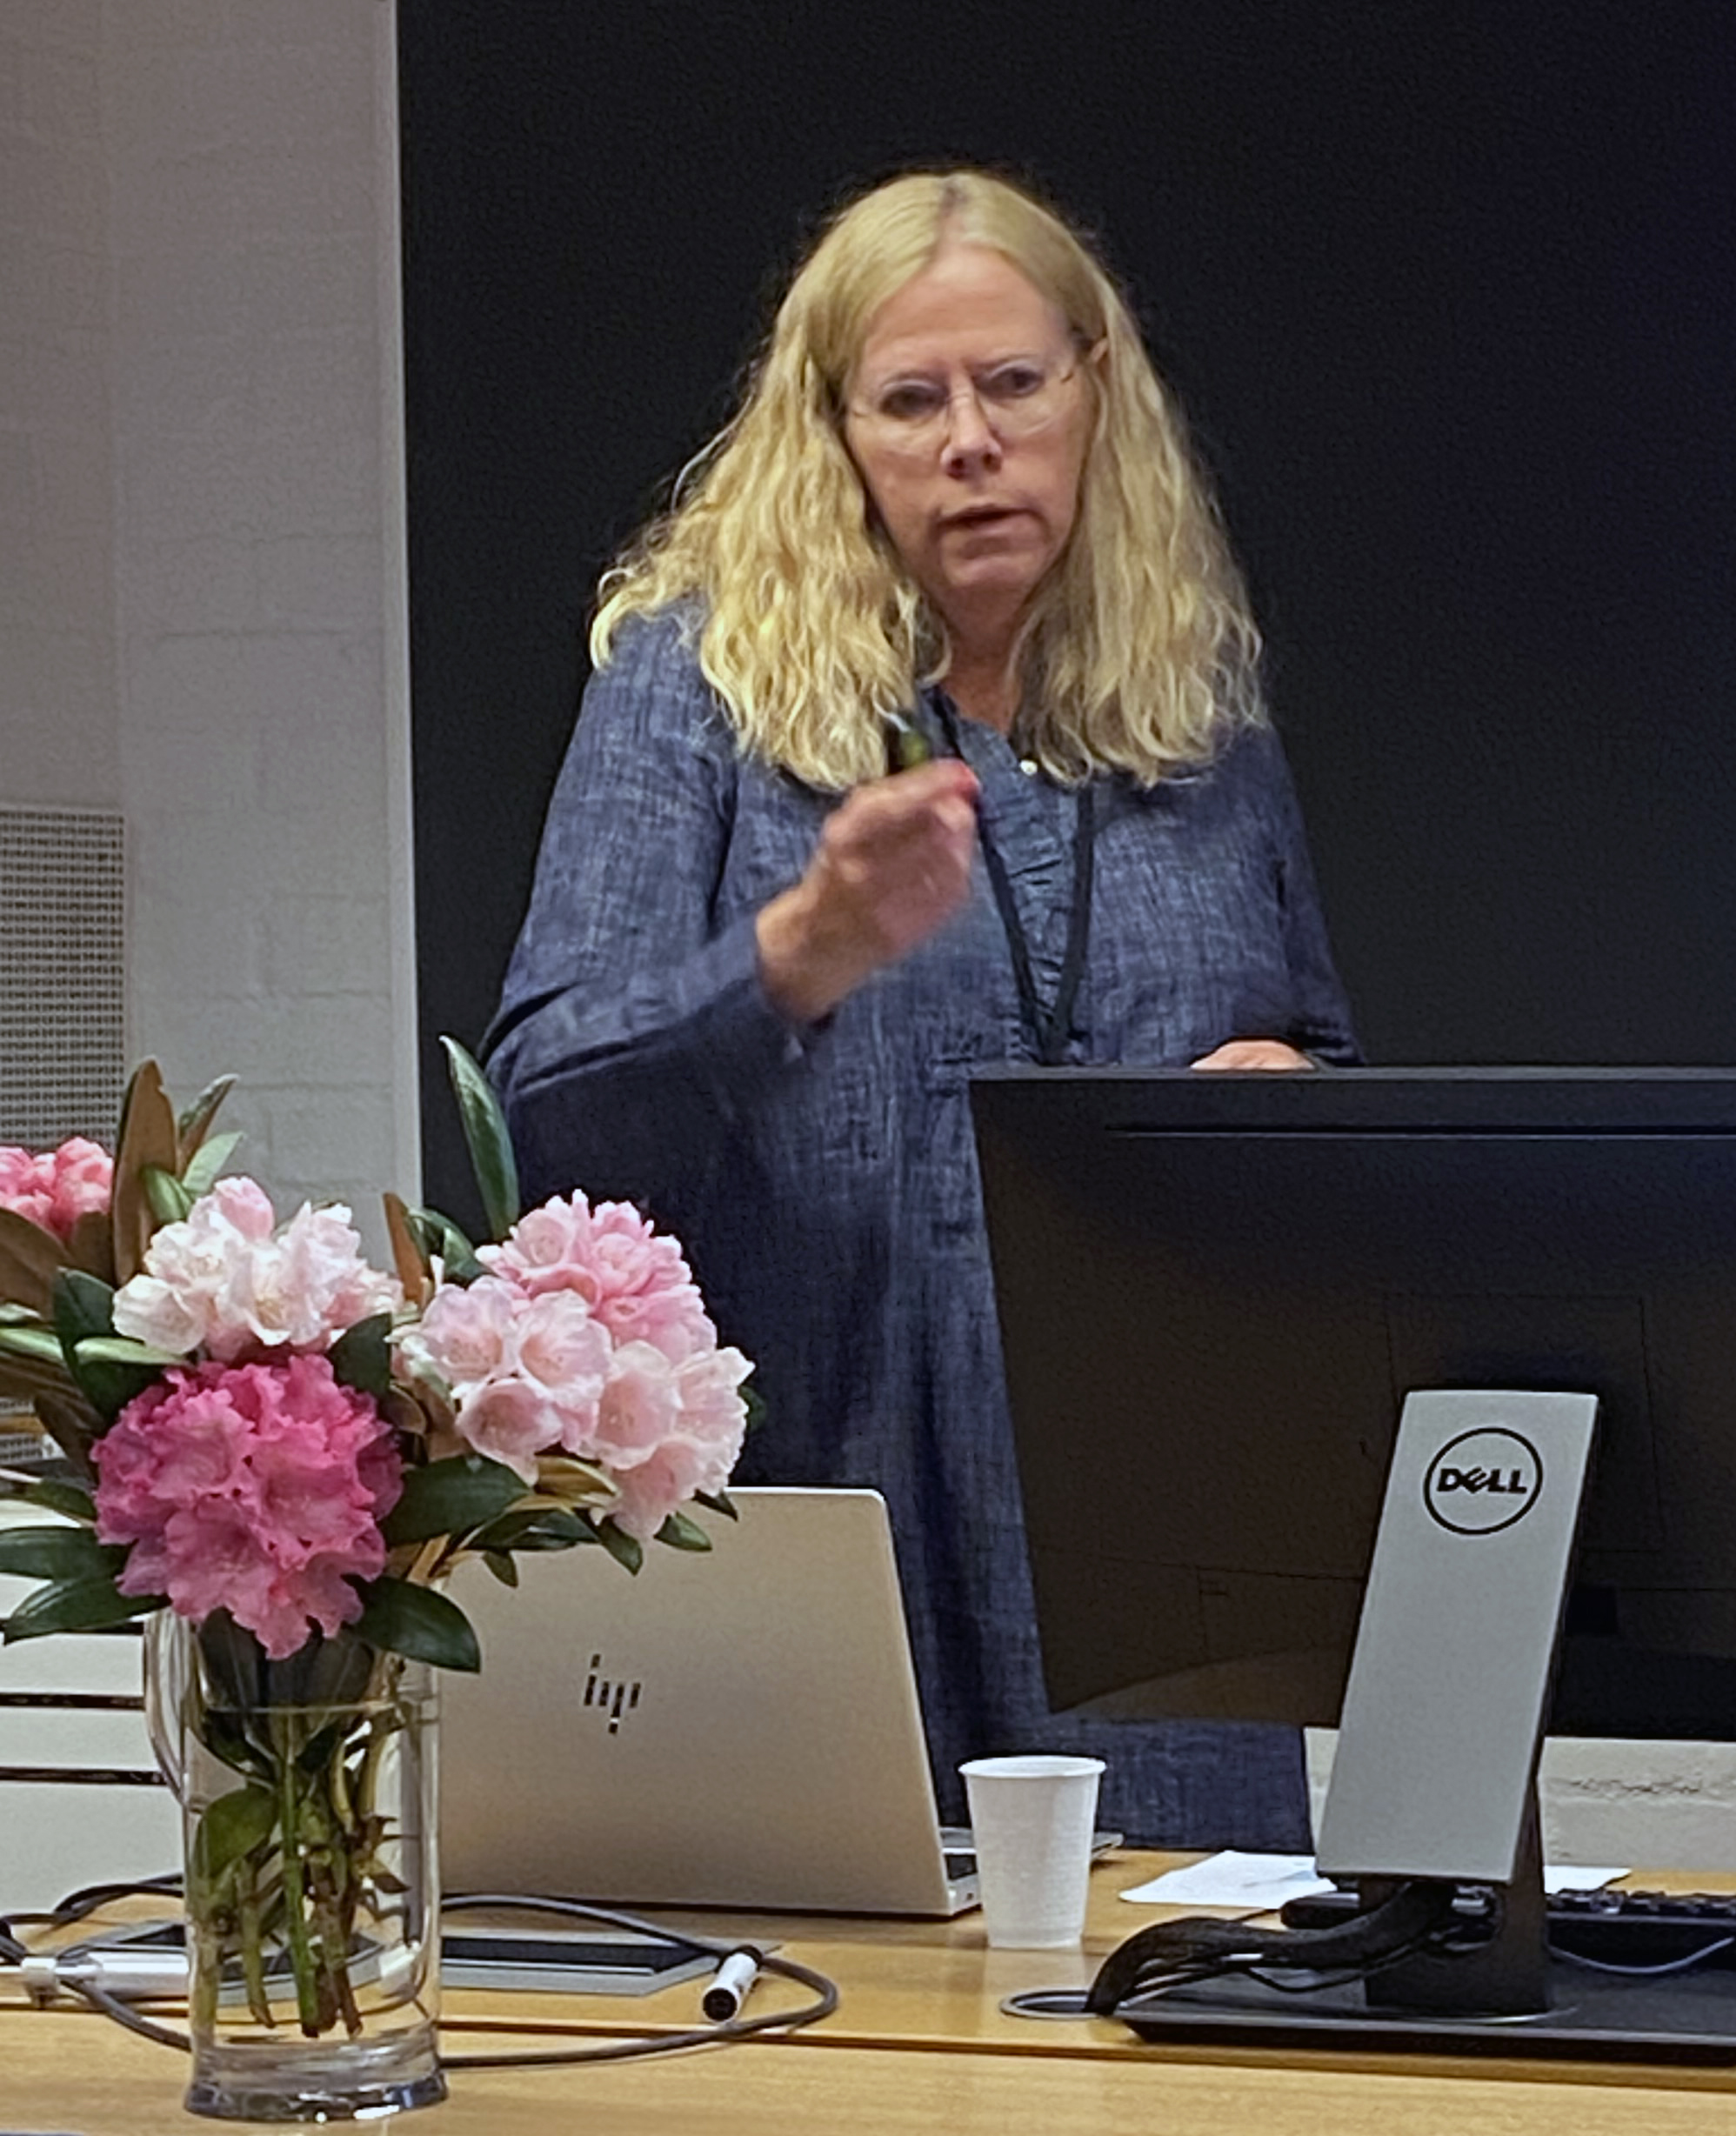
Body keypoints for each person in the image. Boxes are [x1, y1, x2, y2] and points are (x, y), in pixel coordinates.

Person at [485, 169, 1356, 1847]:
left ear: (1096, 391)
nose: (974, 439)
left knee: (1188, 2041)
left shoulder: (1196, 716)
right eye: (912, 398)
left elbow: (1321, 1053)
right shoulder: (701, 692)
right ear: (837, 438)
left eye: (1017, 384)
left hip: (1163, 1559)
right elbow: (549, 1102)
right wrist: (800, 948)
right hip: (832, 1506)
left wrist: (1286, 1097)